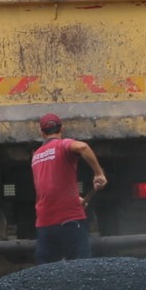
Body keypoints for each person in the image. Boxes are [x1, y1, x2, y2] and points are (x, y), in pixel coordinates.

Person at [29, 112, 105, 264]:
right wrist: (99, 173)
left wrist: (74, 199)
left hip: (45, 223)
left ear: (42, 133)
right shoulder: (62, 145)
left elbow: (48, 186)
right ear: (61, 130)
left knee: (45, 273)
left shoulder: (36, 156)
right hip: (70, 220)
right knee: (80, 268)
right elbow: (83, 147)